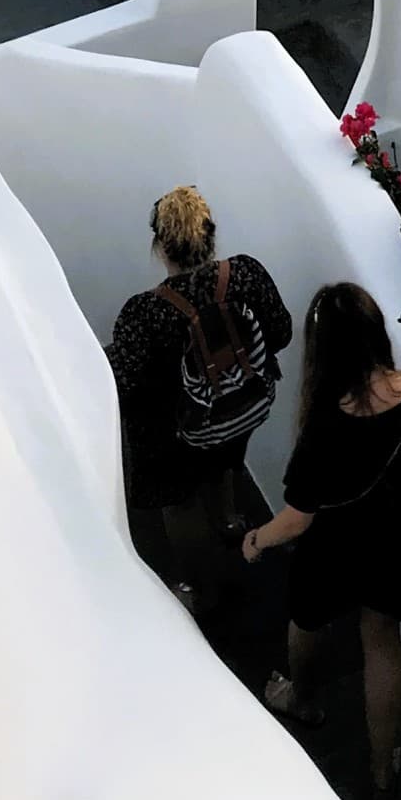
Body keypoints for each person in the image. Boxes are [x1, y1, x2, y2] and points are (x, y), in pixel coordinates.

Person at [243, 283, 401, 796]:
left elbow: (298, 520)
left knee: (306, 620)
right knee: (383, 645)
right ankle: (381, 766)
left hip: (336, 549)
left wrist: (256, 540)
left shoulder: (324, 425)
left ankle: (300, 700)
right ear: (377, 333)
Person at [105, 186, 292, 612]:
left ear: (159, 245)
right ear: (211, 235)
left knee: (181, 504)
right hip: (239, 411)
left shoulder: (143, 313)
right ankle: (229, 519)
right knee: (225, 460)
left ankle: (198, 586)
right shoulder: (245, 274)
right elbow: (281, 331)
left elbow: (126, 382)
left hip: (176, 434)